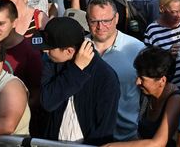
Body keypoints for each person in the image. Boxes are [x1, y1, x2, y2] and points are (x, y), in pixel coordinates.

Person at [34, 16, 120, 144]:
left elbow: (104, 129)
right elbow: (48, 102)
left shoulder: (105, 77)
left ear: (69, 51)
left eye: (50, 48)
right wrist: (76, 69)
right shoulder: (50, 62)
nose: (45, 51)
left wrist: (76, 70)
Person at [87, 0, 145, 141]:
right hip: (87, 136)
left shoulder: (137, 49)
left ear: (117, 18)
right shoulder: (80, 48)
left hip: (126, 137)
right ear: (87, 20)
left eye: (106, 21)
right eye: (94, 21)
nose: (100, 27)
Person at [103, 47, 180, 147]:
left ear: (162, 80)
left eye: (142, 79)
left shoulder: (176, 100)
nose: (137, 82)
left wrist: (111, 146)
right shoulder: (147, 94)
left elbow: (158, 143)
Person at [0, 0, 43, 135]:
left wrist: (14, 115)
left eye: (0, 24)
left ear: (14, 23)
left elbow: (36, 94)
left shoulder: (30, 53)